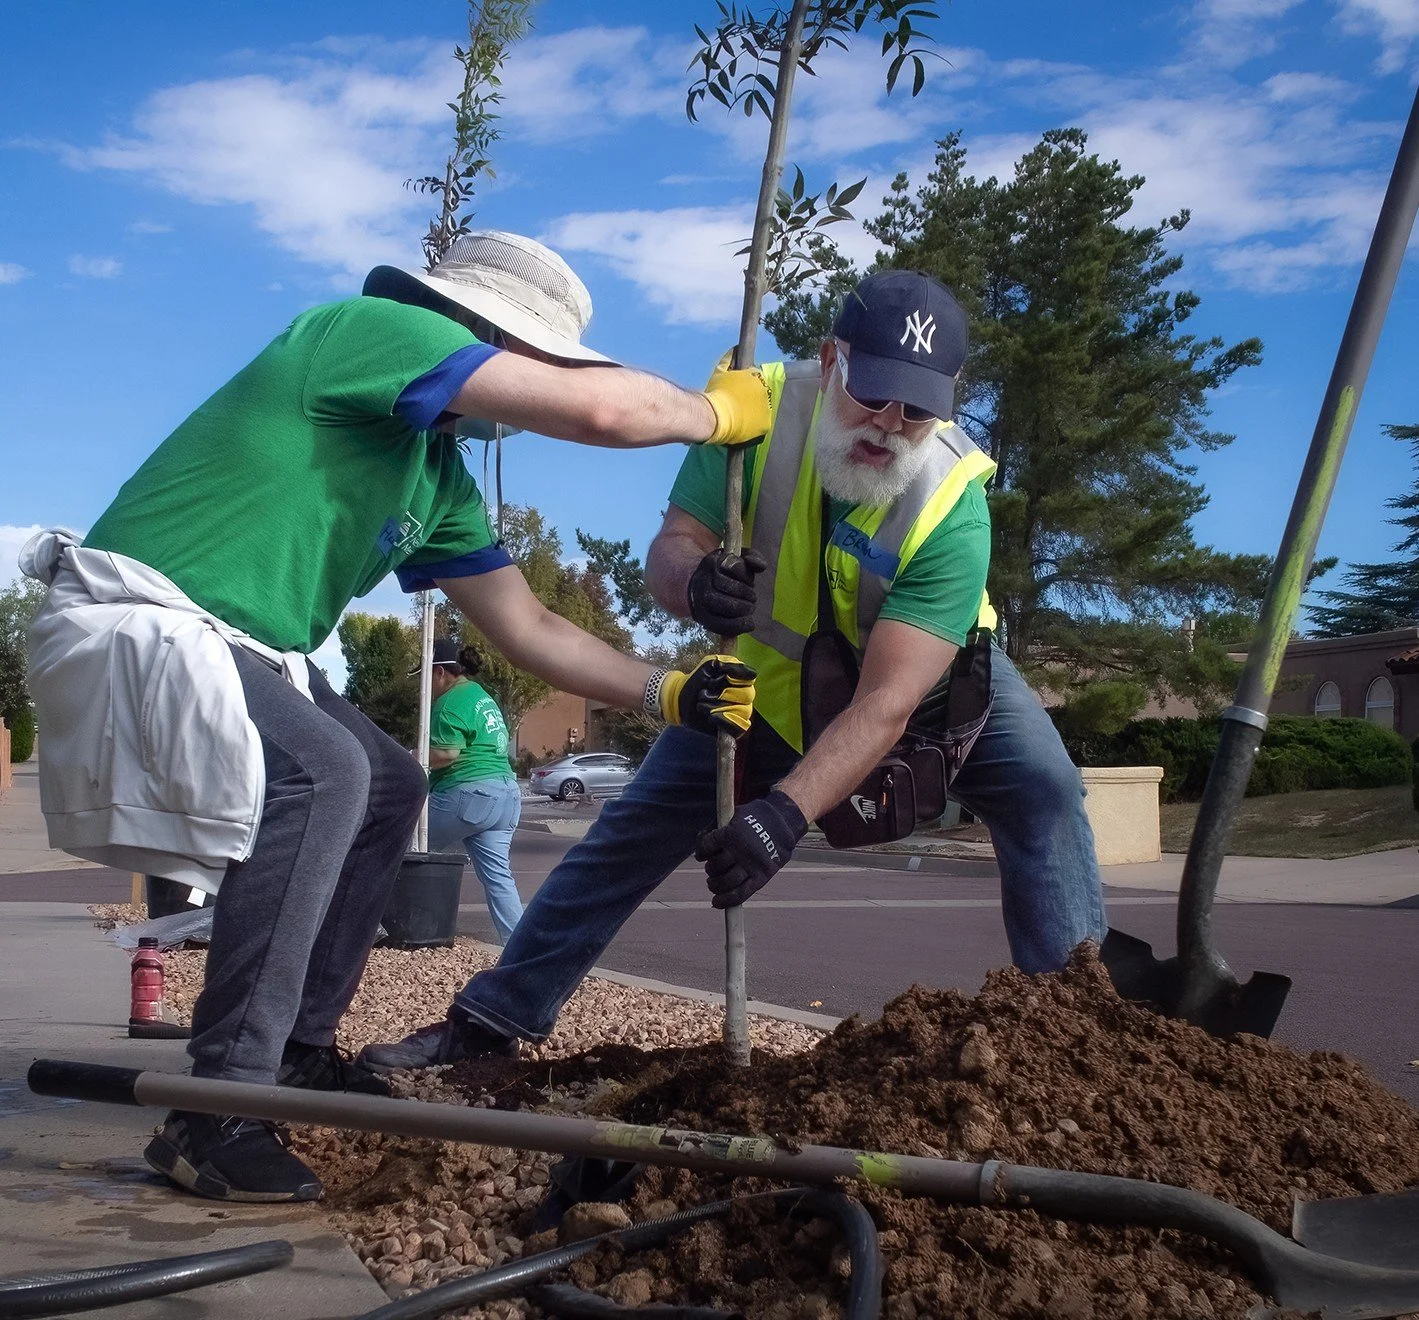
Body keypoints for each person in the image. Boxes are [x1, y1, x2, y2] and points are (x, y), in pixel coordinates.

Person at [22, 230, 766, 1203]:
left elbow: (528, 624)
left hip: (247, 650)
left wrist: (667, 689)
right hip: (142, 613)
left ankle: (292, 1057)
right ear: (476, 332)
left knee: (387, 783)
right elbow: (598, 406)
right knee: (325, 771)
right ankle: (216, 1114)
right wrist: (714, 415)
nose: (523, 388)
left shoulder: (436, 476)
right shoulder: (365, 331)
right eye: (524, 357)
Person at [359, 270, 1108, 1075]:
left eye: (918, 409)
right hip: (757, 693)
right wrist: (694, 580)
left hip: (935, 688)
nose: (889, 425)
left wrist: (783, 816)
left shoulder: (951, 500)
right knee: (628, 834)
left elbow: (888, 701)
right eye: (872, 393)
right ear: (831, 360)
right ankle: (490, 1021)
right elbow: (668, 552)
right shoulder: (754, 410)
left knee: (1045, 789)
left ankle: (1073, 1042)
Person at [420, 638, 523, 943]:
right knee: (498, 878)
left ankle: (378, 926)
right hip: (506, 795)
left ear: (440, 672)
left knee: (397, 844)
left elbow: (447, 753)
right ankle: (518, 948)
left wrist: (412, 755)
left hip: (469, 794)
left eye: (427, 675)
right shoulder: (482, 696)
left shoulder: (450, 701)